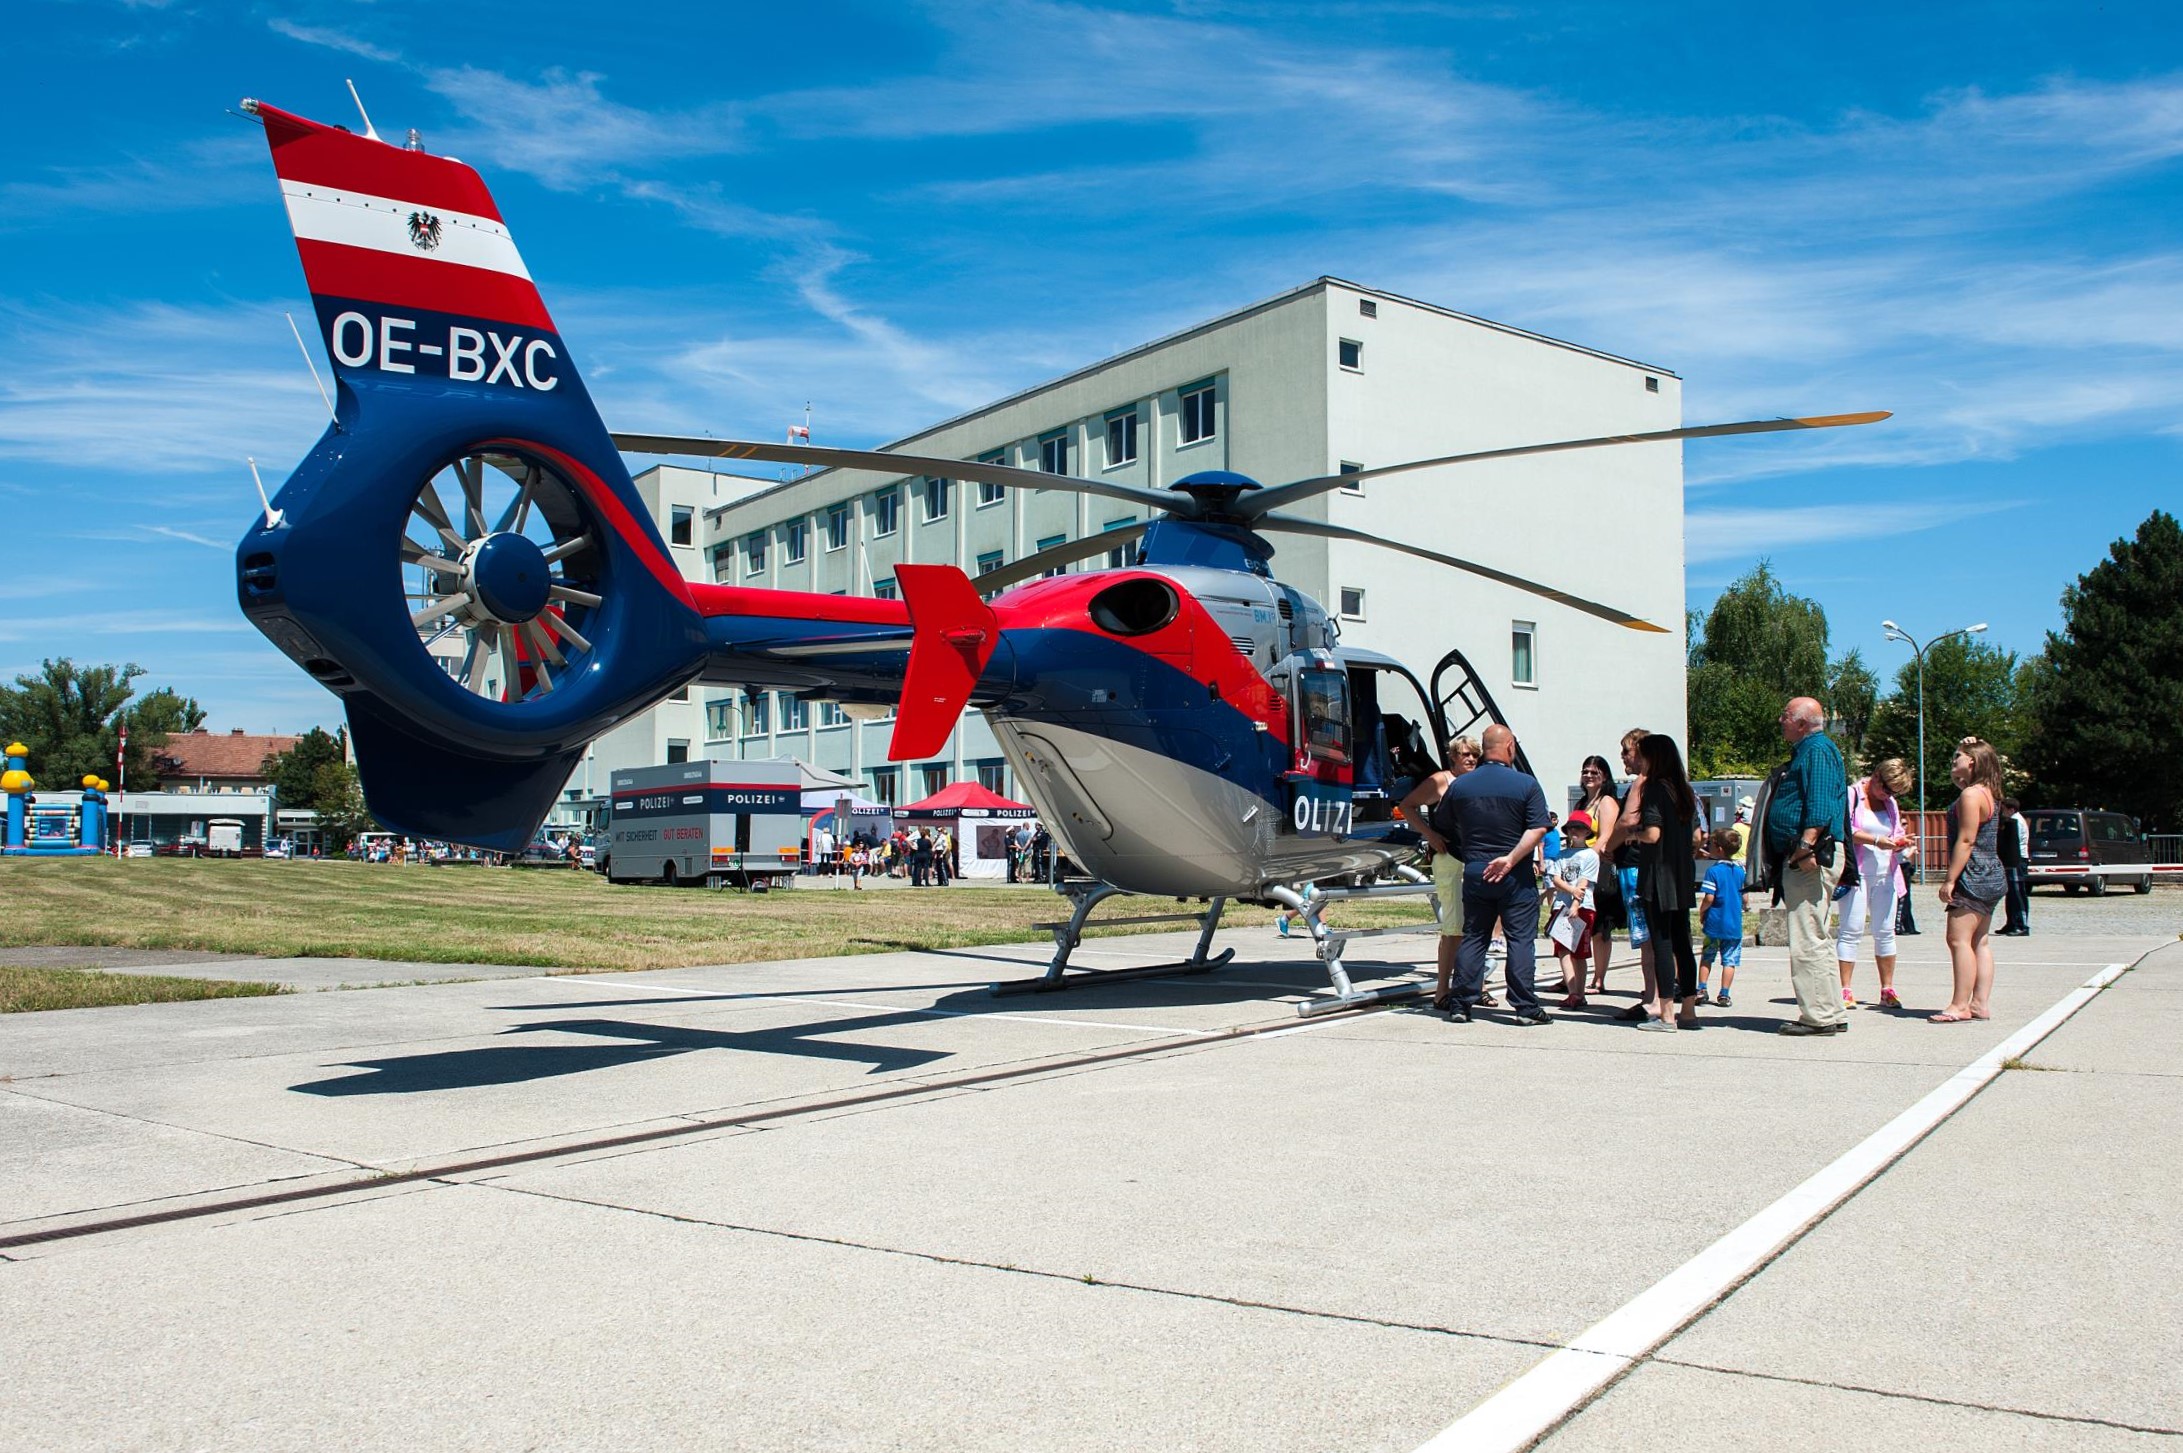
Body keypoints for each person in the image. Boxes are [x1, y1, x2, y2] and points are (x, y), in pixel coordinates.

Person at [1429, 724, 1551, 1025]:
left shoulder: (1461, 786)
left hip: (1476, 871)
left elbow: (1443, 822)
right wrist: (1509, 859)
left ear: (1484, 749)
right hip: (1515, 873)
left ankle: (1460, 1004)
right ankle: (1524, 1007)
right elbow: (1538, 828)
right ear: (1510, 746)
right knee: (1520, 939)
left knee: (1474, 937)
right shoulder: (1526, 785)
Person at [1768, 696, 1850, 1036]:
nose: (1780, 720)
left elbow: (1819, 804)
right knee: (1816, 935)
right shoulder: (1812, 750)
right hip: (1810, 853)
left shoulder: (1816, 751)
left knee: (1806, 937)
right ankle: (1831, 1010)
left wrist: (1804, 848)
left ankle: (1817, 1017)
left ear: (1802, 722)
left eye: (1786, 715)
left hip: (1810, 856)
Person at [1400, 734, 1488, 1012]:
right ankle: (1442, 991)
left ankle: (1477, 986)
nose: (1471, 759)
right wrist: (1431, 836)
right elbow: (1407, 806)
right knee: (1454, 928)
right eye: (1465, 754)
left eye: (1475, 754)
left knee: (1477, 926)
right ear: (1453, 757)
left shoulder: (1478, 781)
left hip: (1475, 859)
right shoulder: (1441, 781)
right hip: (1449, 858)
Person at [1628, 733, 1701, 1031]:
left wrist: (1634, 835)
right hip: (1682, 873)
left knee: (1662, 943)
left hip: (1658, 874)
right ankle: (1689, 1012)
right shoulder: (1684, 789)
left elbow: (1653, 834)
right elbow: (1697, 836)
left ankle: (1667, 1014)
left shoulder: (1655, 789)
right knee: (1683, 943)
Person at [1933, 738, 2007, 1023]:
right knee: (1980, 942)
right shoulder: (1988, 793)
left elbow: (1966, 840)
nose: (1953, 761)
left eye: (1958, 757)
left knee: (1958, 940)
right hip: (1992, 874)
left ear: (1973, 762)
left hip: (1972, 874)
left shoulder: (1970, 796)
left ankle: (1959, 1005)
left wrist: (1949, 879)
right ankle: (1979, 1004)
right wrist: (1978, 745)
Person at [1837, 758, 1915, 1009]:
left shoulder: (1890, 803)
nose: (1889, 794)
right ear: (1876, 777)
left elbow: (1896, 834)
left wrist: (1903, 843)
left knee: (1885, 931)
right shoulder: (1852, 795)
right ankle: (1845, 989)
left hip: (1886, 873)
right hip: (1857, 873)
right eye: (1887, 788)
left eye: (1894, 792)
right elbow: (1845, 829)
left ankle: (1887, 988)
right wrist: (1875, 840)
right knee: (1852, 929)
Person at [1596, 729, 1655, 1021]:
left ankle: (1650, 998)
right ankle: (1663, 996)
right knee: (1662, 936)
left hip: (1635, 868)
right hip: (1660, 867)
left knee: (1646, 938)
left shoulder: (1640, 785)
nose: (1623, 758)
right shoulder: (1673, 784)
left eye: (1626, 752)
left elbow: (1628, 819)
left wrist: (1610, 845)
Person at [1575, 754, 1624, 994]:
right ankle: (1573, 977)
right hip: (1579, 866)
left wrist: (1587, 858)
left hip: (1599, 867)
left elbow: (1606, 836)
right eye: (1586, 771)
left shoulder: (1607, 802)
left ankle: (1598, 978)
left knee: (1600, 924)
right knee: (1580, 921)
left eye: (1594, 772)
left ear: (1604, 776)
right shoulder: (1582, 802)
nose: (1589, 776)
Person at [1548, 811, 1599, 1009]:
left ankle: (1580, 991)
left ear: (1588, 832)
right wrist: (1570, 890)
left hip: (1583, 907)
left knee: (1580, 953)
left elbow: (1584, 883)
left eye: (1579, 828)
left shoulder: (1590, 855)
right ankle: (1572, 992)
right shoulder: (1562, 855)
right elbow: (1555, 878)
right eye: (1571, 828)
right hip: (1561, 906)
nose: (1574, 831)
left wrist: (1576, 904)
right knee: (1563, 951)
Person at [1696, 828, 1746, 1007]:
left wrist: (1702, 911)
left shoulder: (1713, 871)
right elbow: (1745, 898)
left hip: (1715, 922)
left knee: (1707, 956)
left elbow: (1710, 897)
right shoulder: (1740, 872)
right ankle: (1724, 994)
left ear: (1719, 849)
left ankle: (1701, 989)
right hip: (1734, 924)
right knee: (1730, 961)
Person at [1997, 796, 2031, 935]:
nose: (2001, 812)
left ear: (2011, 809)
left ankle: (2021, 925)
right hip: (2011, 859)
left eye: (2003, 809)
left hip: (2017, 859)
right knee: (2010, 893)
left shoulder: (2016, 821)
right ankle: (2011, 922)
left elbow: (2012, 843)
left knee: (2017, 893)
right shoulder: (2012, 820)